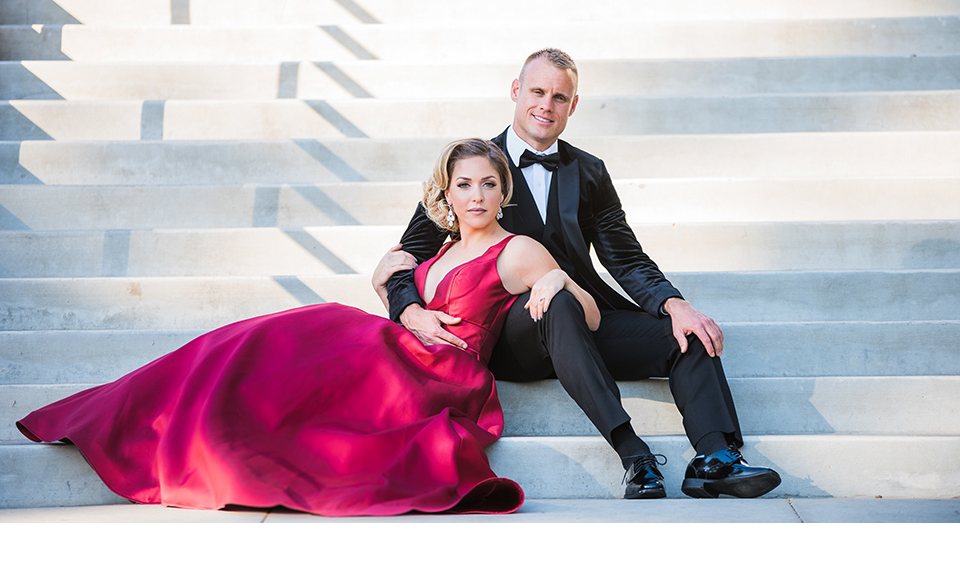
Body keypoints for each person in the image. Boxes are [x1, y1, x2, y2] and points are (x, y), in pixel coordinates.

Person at [17, 139, 600, 516]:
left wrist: (559, 284)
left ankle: (197, 439)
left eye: (489, 184)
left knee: (288, 360)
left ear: (505, 191)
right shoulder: (438, 246)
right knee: (246, 341)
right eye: (465, 184)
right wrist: (402, 296)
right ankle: (125, 412)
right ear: (445, 193)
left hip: (441, 372)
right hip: (397, 345)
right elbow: (387, 278)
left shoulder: (519, 248)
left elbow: (589, 316)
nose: (477, 195)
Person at [379, 48, 781, 499]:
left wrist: (676, 304)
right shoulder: (475, 170)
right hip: (511, 334)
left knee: (687, 333)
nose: (545, 106)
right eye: (536, 92)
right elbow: (406, 256)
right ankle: (633, 455)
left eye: (559, 96)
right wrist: (409, 310)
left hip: (587, 315)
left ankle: (714, 458)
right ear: (516, 91)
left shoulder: (588, 171)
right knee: (558, 300)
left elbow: (625, 257)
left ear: (573, 105)